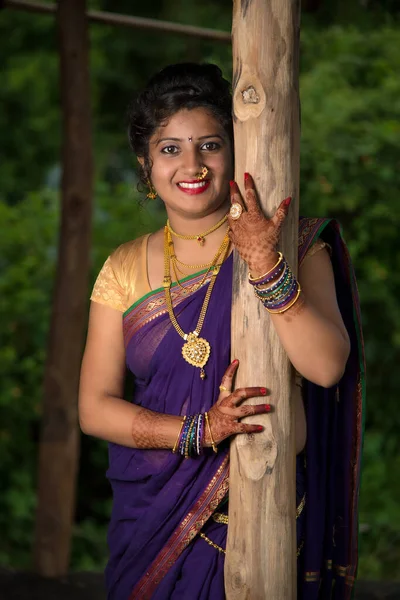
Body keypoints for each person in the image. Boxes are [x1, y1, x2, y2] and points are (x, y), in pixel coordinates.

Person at [79, 63, 365, 600]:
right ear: (145, 165)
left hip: (265, 514)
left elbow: (326, 366)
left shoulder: (294, 244)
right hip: (153, 521)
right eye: (169, 150)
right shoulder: (121, 267)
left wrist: (264, 266)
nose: (192, 165)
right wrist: (198, 431)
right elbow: (94, 407)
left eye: (209, 145)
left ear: (234, 151)